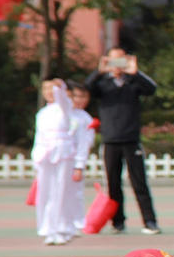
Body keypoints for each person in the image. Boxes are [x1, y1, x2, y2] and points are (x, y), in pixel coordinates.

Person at [85, 48, 160, 234]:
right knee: (113, 183)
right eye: (113, 61)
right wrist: (99, 71)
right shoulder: (102, 85)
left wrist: (136, 72)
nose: (117, 65)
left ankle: (149, 221)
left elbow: (152, 89)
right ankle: (117, 221)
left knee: (139, 182)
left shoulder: (133, 83)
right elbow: (86, 88)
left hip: (131, 140)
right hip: (110, 140)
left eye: (120, 61)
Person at [31, 78, 76, 245]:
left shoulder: (65, 108)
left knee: (61, 191)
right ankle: (47, 228)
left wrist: (61, 88)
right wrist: (35, 155)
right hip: (45, 153)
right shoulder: (41, 113)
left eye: (52, 89)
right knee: (45, 192)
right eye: (46, 89)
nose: (49, 92)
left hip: (62, 152)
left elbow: (63, 101)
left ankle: (60, 228)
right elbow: (39, 136)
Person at [67, 81, 97, 235]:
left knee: (76, 193)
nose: (80, 100)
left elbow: (85, 144)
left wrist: (79, 165)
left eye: (84, 96)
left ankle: (78, 222)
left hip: (74, 161)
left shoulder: (85, 118)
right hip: (59, 159)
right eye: (77, 96)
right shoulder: (62, 113)